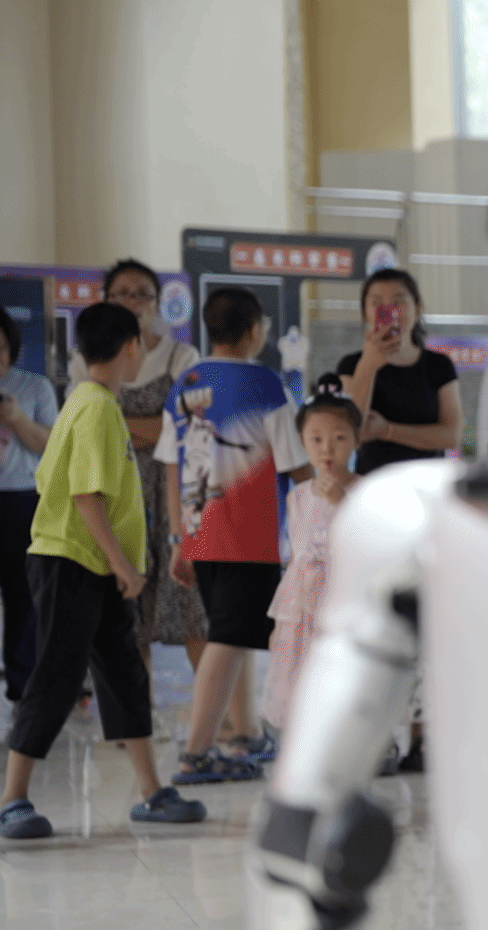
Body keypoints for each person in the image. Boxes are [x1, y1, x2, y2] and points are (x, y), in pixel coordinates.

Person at [0, 303, 207, 839]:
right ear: (131, 347)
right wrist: (122, 565)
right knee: (57, 674)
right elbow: (85, 495)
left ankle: (151, 792)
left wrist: (118, 566)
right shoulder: (94, 407)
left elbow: (67, 482)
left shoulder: (89, 402)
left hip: (95, 564)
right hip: (73, 561)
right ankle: (12, 798)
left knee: (123, 673)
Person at [159, 287, 312, 785]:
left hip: (199, 533)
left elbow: (170, 467)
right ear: (252, 331)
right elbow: (296, 463)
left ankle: (246, 735)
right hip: (249, 536)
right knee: (227, 638)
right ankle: (196, 754)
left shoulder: (186, 383)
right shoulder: (265, 384)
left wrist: (178, 538)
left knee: (235, 632)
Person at [71, 262, 215, 704]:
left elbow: (187, 429)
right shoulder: (84, 358)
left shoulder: (181, 357)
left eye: (142, 294)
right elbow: (88, 425)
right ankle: (138, 712)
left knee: (191, 606)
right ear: (105, 300)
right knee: (128, 609)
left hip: (173, 492)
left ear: (157, 303)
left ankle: (220, 714)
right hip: (116, 489)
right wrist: (156, 425)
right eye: (122, 293)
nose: (133, 303)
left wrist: (127, 424)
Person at [262, 374, 359, 732]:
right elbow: (296, 560)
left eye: (339, 438)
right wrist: (280, 624)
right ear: (302, 442)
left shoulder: (365, 492)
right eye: (315, 439)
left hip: (343, 605)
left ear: (357, 439)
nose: (327, 449)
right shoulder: (298, 496)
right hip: (303, 612)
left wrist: (341, 501)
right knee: (303, 684)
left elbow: (368, 541)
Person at [338, 269, 462, 474]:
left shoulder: (438, 365)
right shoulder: (351, 365)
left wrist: (388, 430)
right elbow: (351, 433)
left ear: (417, 308)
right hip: (373, 483)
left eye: (399, 301)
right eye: (377, 303)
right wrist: (368, 365)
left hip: (428, 482)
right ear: (365, 313)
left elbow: (452, 436)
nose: (389, 310)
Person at [0, 308, 59, 701]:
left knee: (23, 595)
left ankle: (23, 688)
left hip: (21, 500)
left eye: (1, 347)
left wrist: (17, 418)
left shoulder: (35, 387)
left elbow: (52, 444)